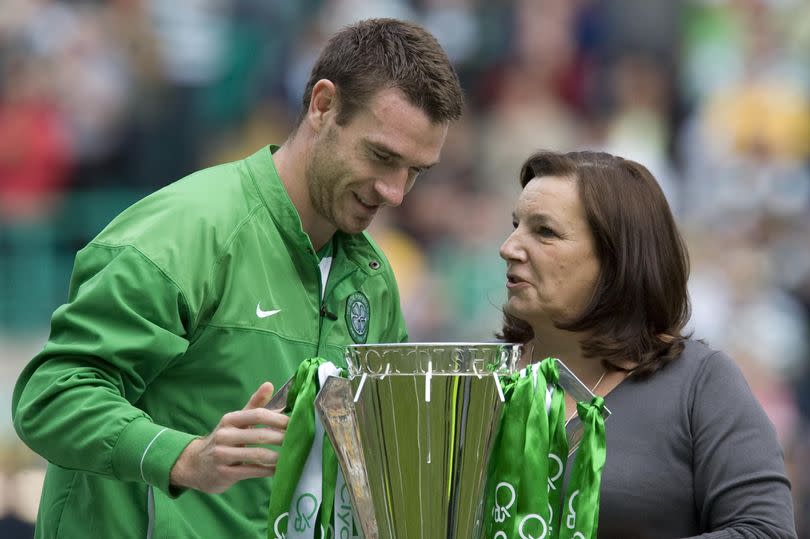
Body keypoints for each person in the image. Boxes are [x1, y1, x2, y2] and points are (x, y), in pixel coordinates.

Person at [12, 18, 463, 538]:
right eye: (381, 156)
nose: (395, 192)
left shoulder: (373, 280)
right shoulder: (183, 233)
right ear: (322, 105)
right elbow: (50, 397)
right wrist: (184, 456)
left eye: (415, 171)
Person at [499, 150, 797, 538]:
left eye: (545, 232)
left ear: (618, 258)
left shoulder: (701, 384)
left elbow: (766, 531)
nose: (509, 247)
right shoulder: (479, 377)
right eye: (516, 225)